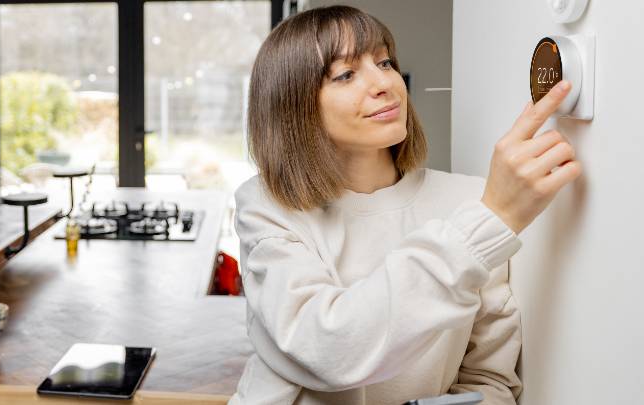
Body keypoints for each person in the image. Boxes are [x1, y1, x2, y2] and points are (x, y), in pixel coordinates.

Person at [229, 5, 581, 405]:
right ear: (293, 107)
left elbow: (489, 379)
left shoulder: (470, 201)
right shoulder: (267, 206)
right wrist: (489, 222)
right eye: (345, 74)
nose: (384, 83)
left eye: (384, 62)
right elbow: (328, 349)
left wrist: (489, 216)